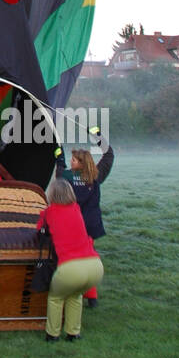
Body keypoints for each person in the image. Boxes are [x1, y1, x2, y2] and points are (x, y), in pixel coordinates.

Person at [36, 177, 103, 342]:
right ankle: (73, 333)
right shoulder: (76, 208)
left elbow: (40, 230)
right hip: (95, 266)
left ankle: (52, 335)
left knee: (56, 298)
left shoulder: (50, 212)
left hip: (71, 267)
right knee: (75, 296)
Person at [57, 128, 114, 306]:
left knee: (69, 258)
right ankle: (92, 297)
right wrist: (97, 135)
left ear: (80, 164)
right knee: (88, 257)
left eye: (74, 160)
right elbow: (109, 155)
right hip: (90, 226)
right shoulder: (95, 176)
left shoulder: (66, 177)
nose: (71, 162)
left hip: (72, 226)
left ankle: (68, 291)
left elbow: (60, 170)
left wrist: (58, 154)